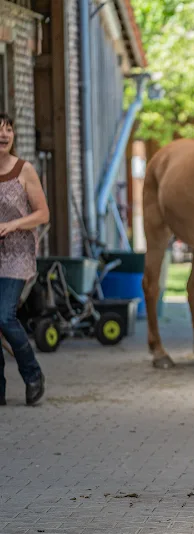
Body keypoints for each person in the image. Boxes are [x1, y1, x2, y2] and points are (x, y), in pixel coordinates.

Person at [0, 112, 48, 406]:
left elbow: (43, 214)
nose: (3, 134)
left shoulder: (23, 169)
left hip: (17, 252)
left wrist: (13, 224)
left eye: (8, 129)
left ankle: (32, 375)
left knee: (3, 315)